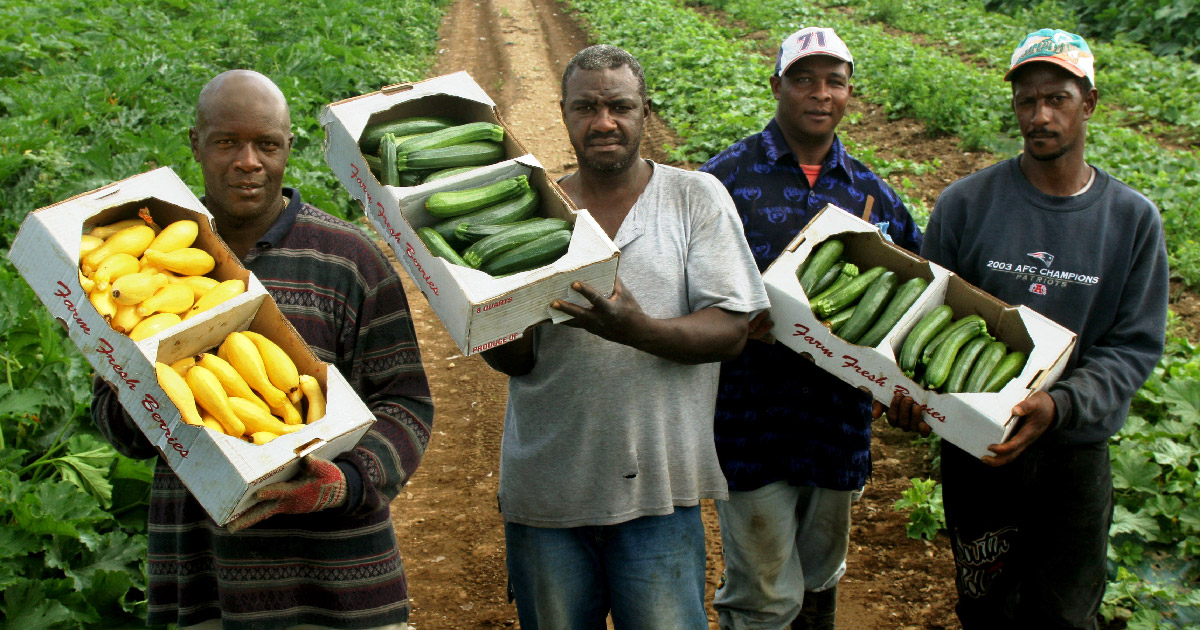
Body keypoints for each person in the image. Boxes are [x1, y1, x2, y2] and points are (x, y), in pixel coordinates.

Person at [91, 69, 434, 630]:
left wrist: (346, 484)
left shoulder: (350, 261)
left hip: (340, 584)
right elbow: (114, 424)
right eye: (227, 142)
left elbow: (407, 403)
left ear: (287, 150)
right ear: (195, 145)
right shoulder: (135, 268)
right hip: (202, 579)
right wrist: (140, 392)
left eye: (266, 144)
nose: (248, 161)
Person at [878, 29, 1169, 629]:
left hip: (1073, 454)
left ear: (1087, 103)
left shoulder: (1132, 220)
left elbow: (1132, 346)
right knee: (986, 610)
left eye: (1057, 98)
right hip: (978, 449)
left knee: (1066, 616)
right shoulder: (965, 204)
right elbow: (928, 321)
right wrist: (912, 395)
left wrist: (1061, 404)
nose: (1040, 115)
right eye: (1026, 100)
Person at [480, 44, 771, 628]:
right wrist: (479, 308)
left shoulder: (695, 199)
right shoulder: (535, 212)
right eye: (586, 107)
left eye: (619, 106)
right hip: (547, 491)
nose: (603, 121)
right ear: (564, 112)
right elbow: (515, 360)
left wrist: (637, 330)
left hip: (657, 496)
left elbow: (731, 330)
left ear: (645, 112)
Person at [699, 26, 923, 630]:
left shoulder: (874, 196)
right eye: (803, 79)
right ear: (776, 86)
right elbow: (686, 284)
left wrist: (899, 387)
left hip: (837, 421)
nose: (820, 94)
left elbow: (915, 302)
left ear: (850, 94)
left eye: (835, 82)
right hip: (749, 420)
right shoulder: (721, 182)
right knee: (762, 592)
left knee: (821, 575)